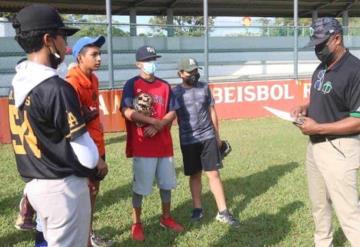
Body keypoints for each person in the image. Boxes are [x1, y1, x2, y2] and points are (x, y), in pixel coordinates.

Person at [9, 4, 107, 246]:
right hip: (61, 188)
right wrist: (97, 164)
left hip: (35, 184)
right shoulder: (55, 87)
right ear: (48, 40)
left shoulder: (19, 79)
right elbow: (85, 156)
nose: (66, 44)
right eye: (63, 37)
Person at [291, 17, 360, 247]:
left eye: (321, 44)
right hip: (315, 147)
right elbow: (319, 99)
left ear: (337, 38)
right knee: (319, 207)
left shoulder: (355, 71)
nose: (317, 49)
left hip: (340, 149)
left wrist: (318, 127)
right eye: (315, 44)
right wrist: (304, 107)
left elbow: (358, 121)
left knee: (349, 213)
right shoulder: (320, 69)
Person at [120, 45, 184, 241]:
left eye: (153, 60)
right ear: (138, 64)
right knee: (140, 188)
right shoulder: (131, 84)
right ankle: (136, 223)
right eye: (148, 60)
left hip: (163, 145)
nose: (151, 64)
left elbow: (173, 111)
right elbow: (126, 111)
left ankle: (166, 217)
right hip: (143, 146)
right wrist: (151, 121)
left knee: (166, 184)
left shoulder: (164, 86)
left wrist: (159, 125)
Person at [172, 57, 240, 227]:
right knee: (195, 175)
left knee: (214, 174)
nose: (194, 74)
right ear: (180, 74)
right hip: (188, 140)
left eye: (196, 71)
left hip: (208, 137)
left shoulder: (204, 87)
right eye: (190, 71)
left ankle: (223, 211)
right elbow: (170, 116)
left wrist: (217, 136)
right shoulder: (175, 93)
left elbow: (212, 112)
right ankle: (197, 209)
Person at [66, 36, 112, 247]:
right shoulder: (71, 84)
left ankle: (88, 236)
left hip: (97, 145)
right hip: (84, 151)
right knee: (82, 198)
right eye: (94, 54)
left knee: (92, 194)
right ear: (80, 57)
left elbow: (90, 115)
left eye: (99, 53)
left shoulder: (93, 80)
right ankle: (80, 239)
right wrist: (95, 159)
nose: (99, 58)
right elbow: (76, 126)